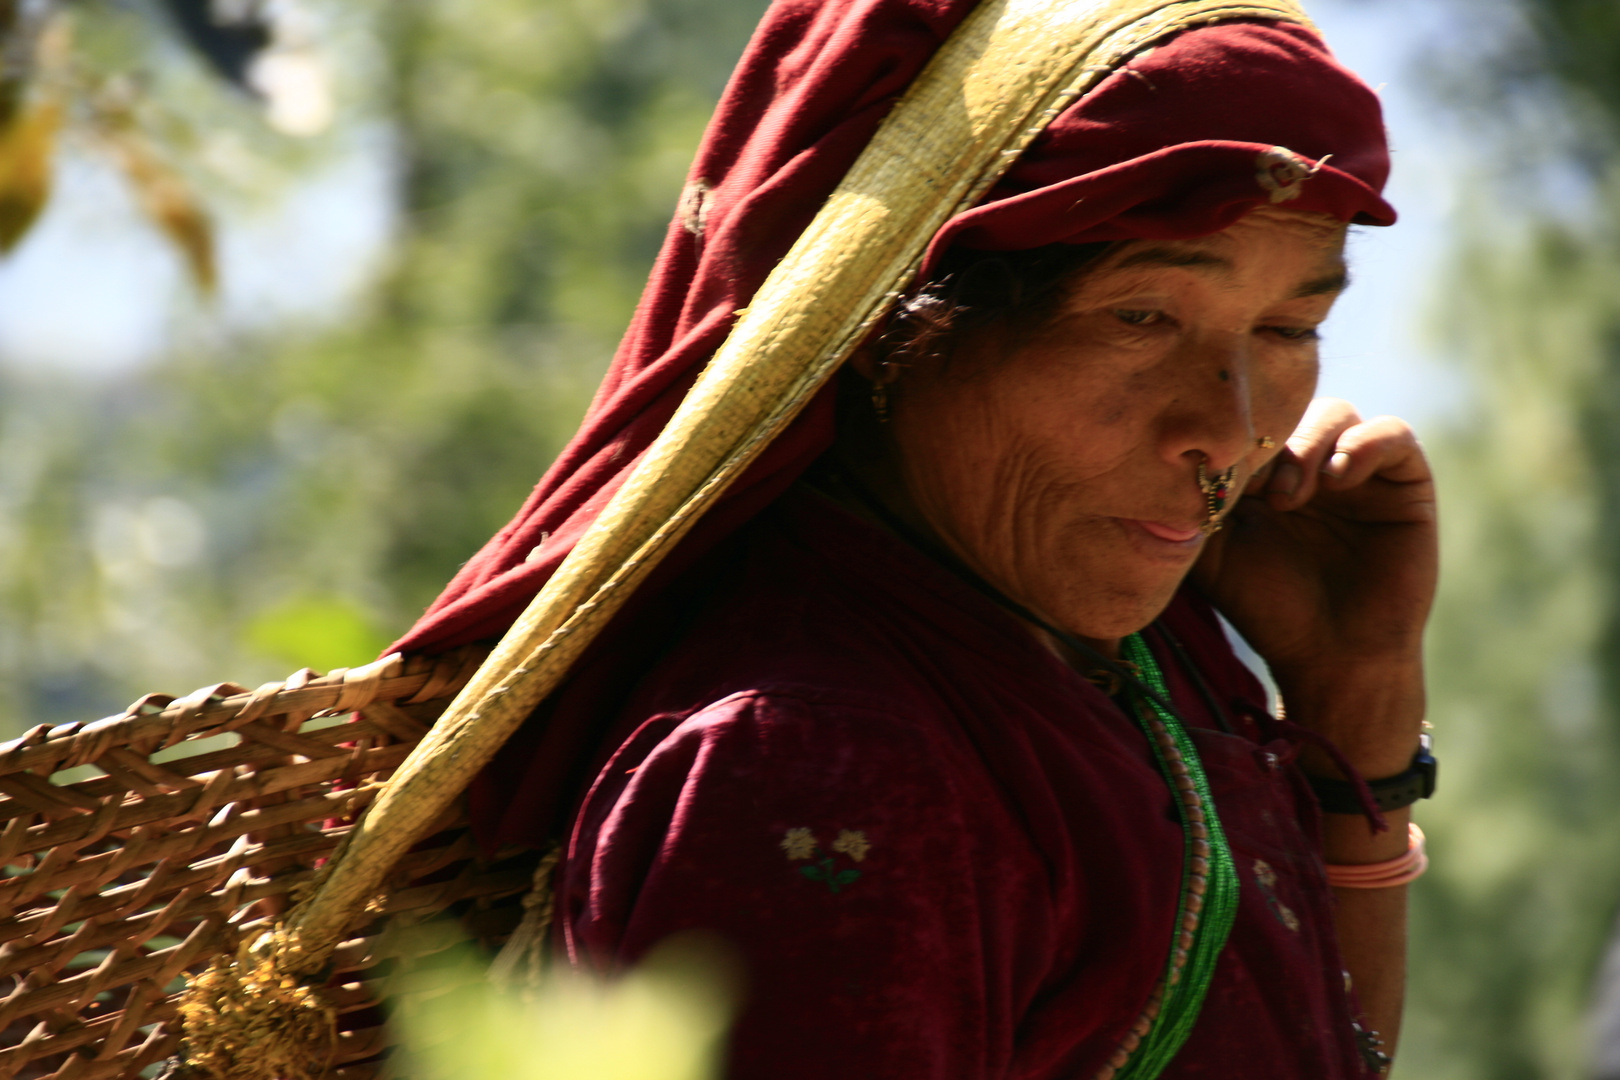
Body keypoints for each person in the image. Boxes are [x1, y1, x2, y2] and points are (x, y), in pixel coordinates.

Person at [391, 2, 1438, 1076]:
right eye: (1141, 318)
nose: (1229, 428)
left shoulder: (1135, 654)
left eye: (1289, 331)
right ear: (896, 318)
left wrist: (1359, 700)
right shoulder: (820, 764)